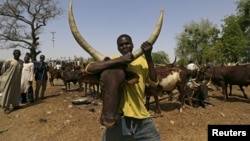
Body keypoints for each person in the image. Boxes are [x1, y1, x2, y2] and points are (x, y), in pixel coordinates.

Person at [85, 34, 161, 141]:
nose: (124, 46)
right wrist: (120, 60)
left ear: (132, 45)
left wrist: (148, 56)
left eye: (127, 43)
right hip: (118, 119)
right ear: (118, 48)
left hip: (141, 117)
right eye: (121, 45)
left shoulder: (142, 62)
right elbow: (89, 68)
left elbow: (154, 82)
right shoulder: (112, 60)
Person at [0, 49, 23, 114]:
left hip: (17, 80)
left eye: (18, 53)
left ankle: (15, 105)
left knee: (16, 92)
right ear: (13, 54)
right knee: (7, 92)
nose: (17, 54)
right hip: (9, 80)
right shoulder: (9, 61)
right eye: (15, 53)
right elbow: (3, 70)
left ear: (20, 54)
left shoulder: (21, 61)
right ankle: (6, 107)